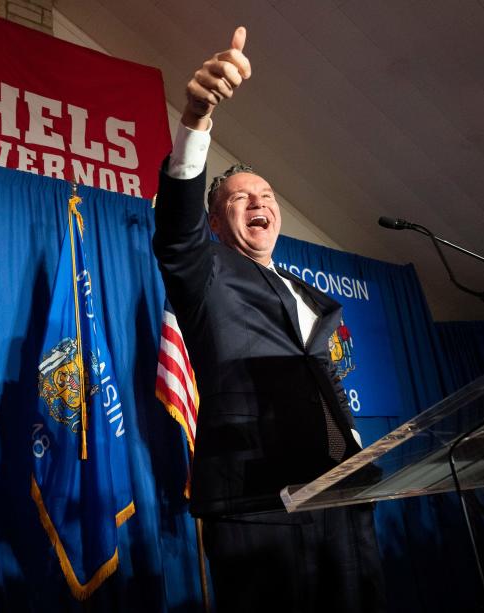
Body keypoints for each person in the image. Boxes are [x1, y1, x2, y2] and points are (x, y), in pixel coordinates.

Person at [152, 27, 386, 612]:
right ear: (215, 220)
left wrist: (355, 448)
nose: (260, 202)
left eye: (267, 194)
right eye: (240, 197)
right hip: (258, 502)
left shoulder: (308, 295)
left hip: (341, 495)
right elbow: (177, 228)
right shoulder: (204, 270)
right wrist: (197, 119)